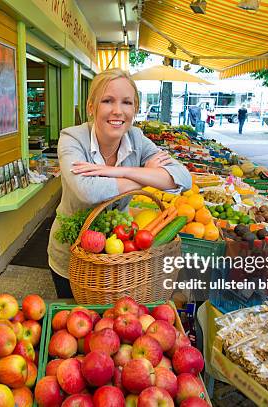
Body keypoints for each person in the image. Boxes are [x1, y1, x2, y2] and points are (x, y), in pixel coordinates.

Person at [47, 68, 193, 298]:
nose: (118, 111)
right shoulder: (72, 139)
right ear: (91, 107)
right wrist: (146, 175)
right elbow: (88, 192)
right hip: (72, 258)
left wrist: (119, 171)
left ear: (135, 108)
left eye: (127, 102)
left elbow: (183, 179)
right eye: (107, 101)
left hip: (119, 257)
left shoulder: (137, 138)